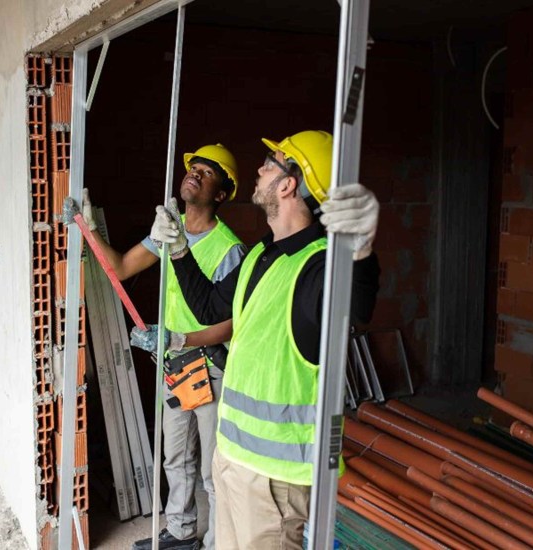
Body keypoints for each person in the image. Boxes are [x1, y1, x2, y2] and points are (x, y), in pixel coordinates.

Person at [141, 130, 381, 549]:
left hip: (275, 478)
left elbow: (352, 304)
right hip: (233, 456)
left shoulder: (319, 264)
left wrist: (360, 253)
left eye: (271, 162)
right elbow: (212, 308)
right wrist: (179, 249)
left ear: (288, 184)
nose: (259, 168)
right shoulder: (260, 253)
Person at [82, 144, 247, 550]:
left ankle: (217, 542)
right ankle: (180, 531)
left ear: (221, 194)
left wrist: (178, 338)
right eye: (194, 167)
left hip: (208, 366)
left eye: (208, 173)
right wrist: (90, 230)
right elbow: (119, 268)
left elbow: (231, 326)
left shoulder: (229, 249)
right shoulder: (168, 232)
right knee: (176, 458)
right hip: (174, 366)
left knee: (212, 468)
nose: (196, 173)